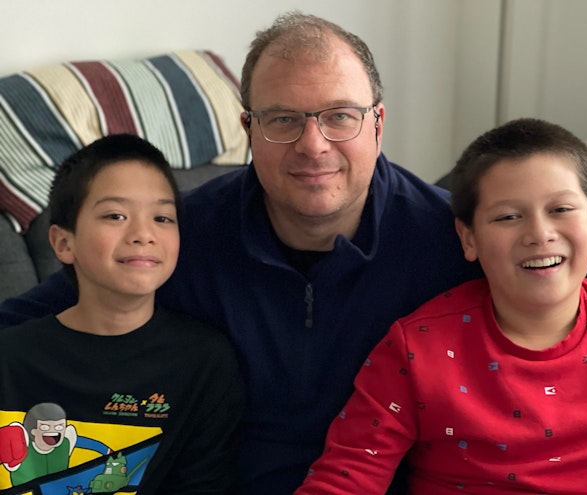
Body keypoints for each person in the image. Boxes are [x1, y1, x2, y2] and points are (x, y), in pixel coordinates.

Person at [0, 12, 476, 494]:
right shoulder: (179, 234)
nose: (313, 145)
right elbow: (42, 317)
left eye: (340, 116)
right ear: (249, 128)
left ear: (377, 123)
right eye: (284, 120)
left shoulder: (453, 239)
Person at [294, 118, 587, 494]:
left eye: (561, 209)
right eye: (508, 217)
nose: (539, 234)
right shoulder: (416, 347)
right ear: (468, 238)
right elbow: (348, 476)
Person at [0, 134, 244, 494]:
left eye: (162, 217)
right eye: (115, 215)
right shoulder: (10, 355)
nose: (143, 234)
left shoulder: (204, 362)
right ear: (63, 243)